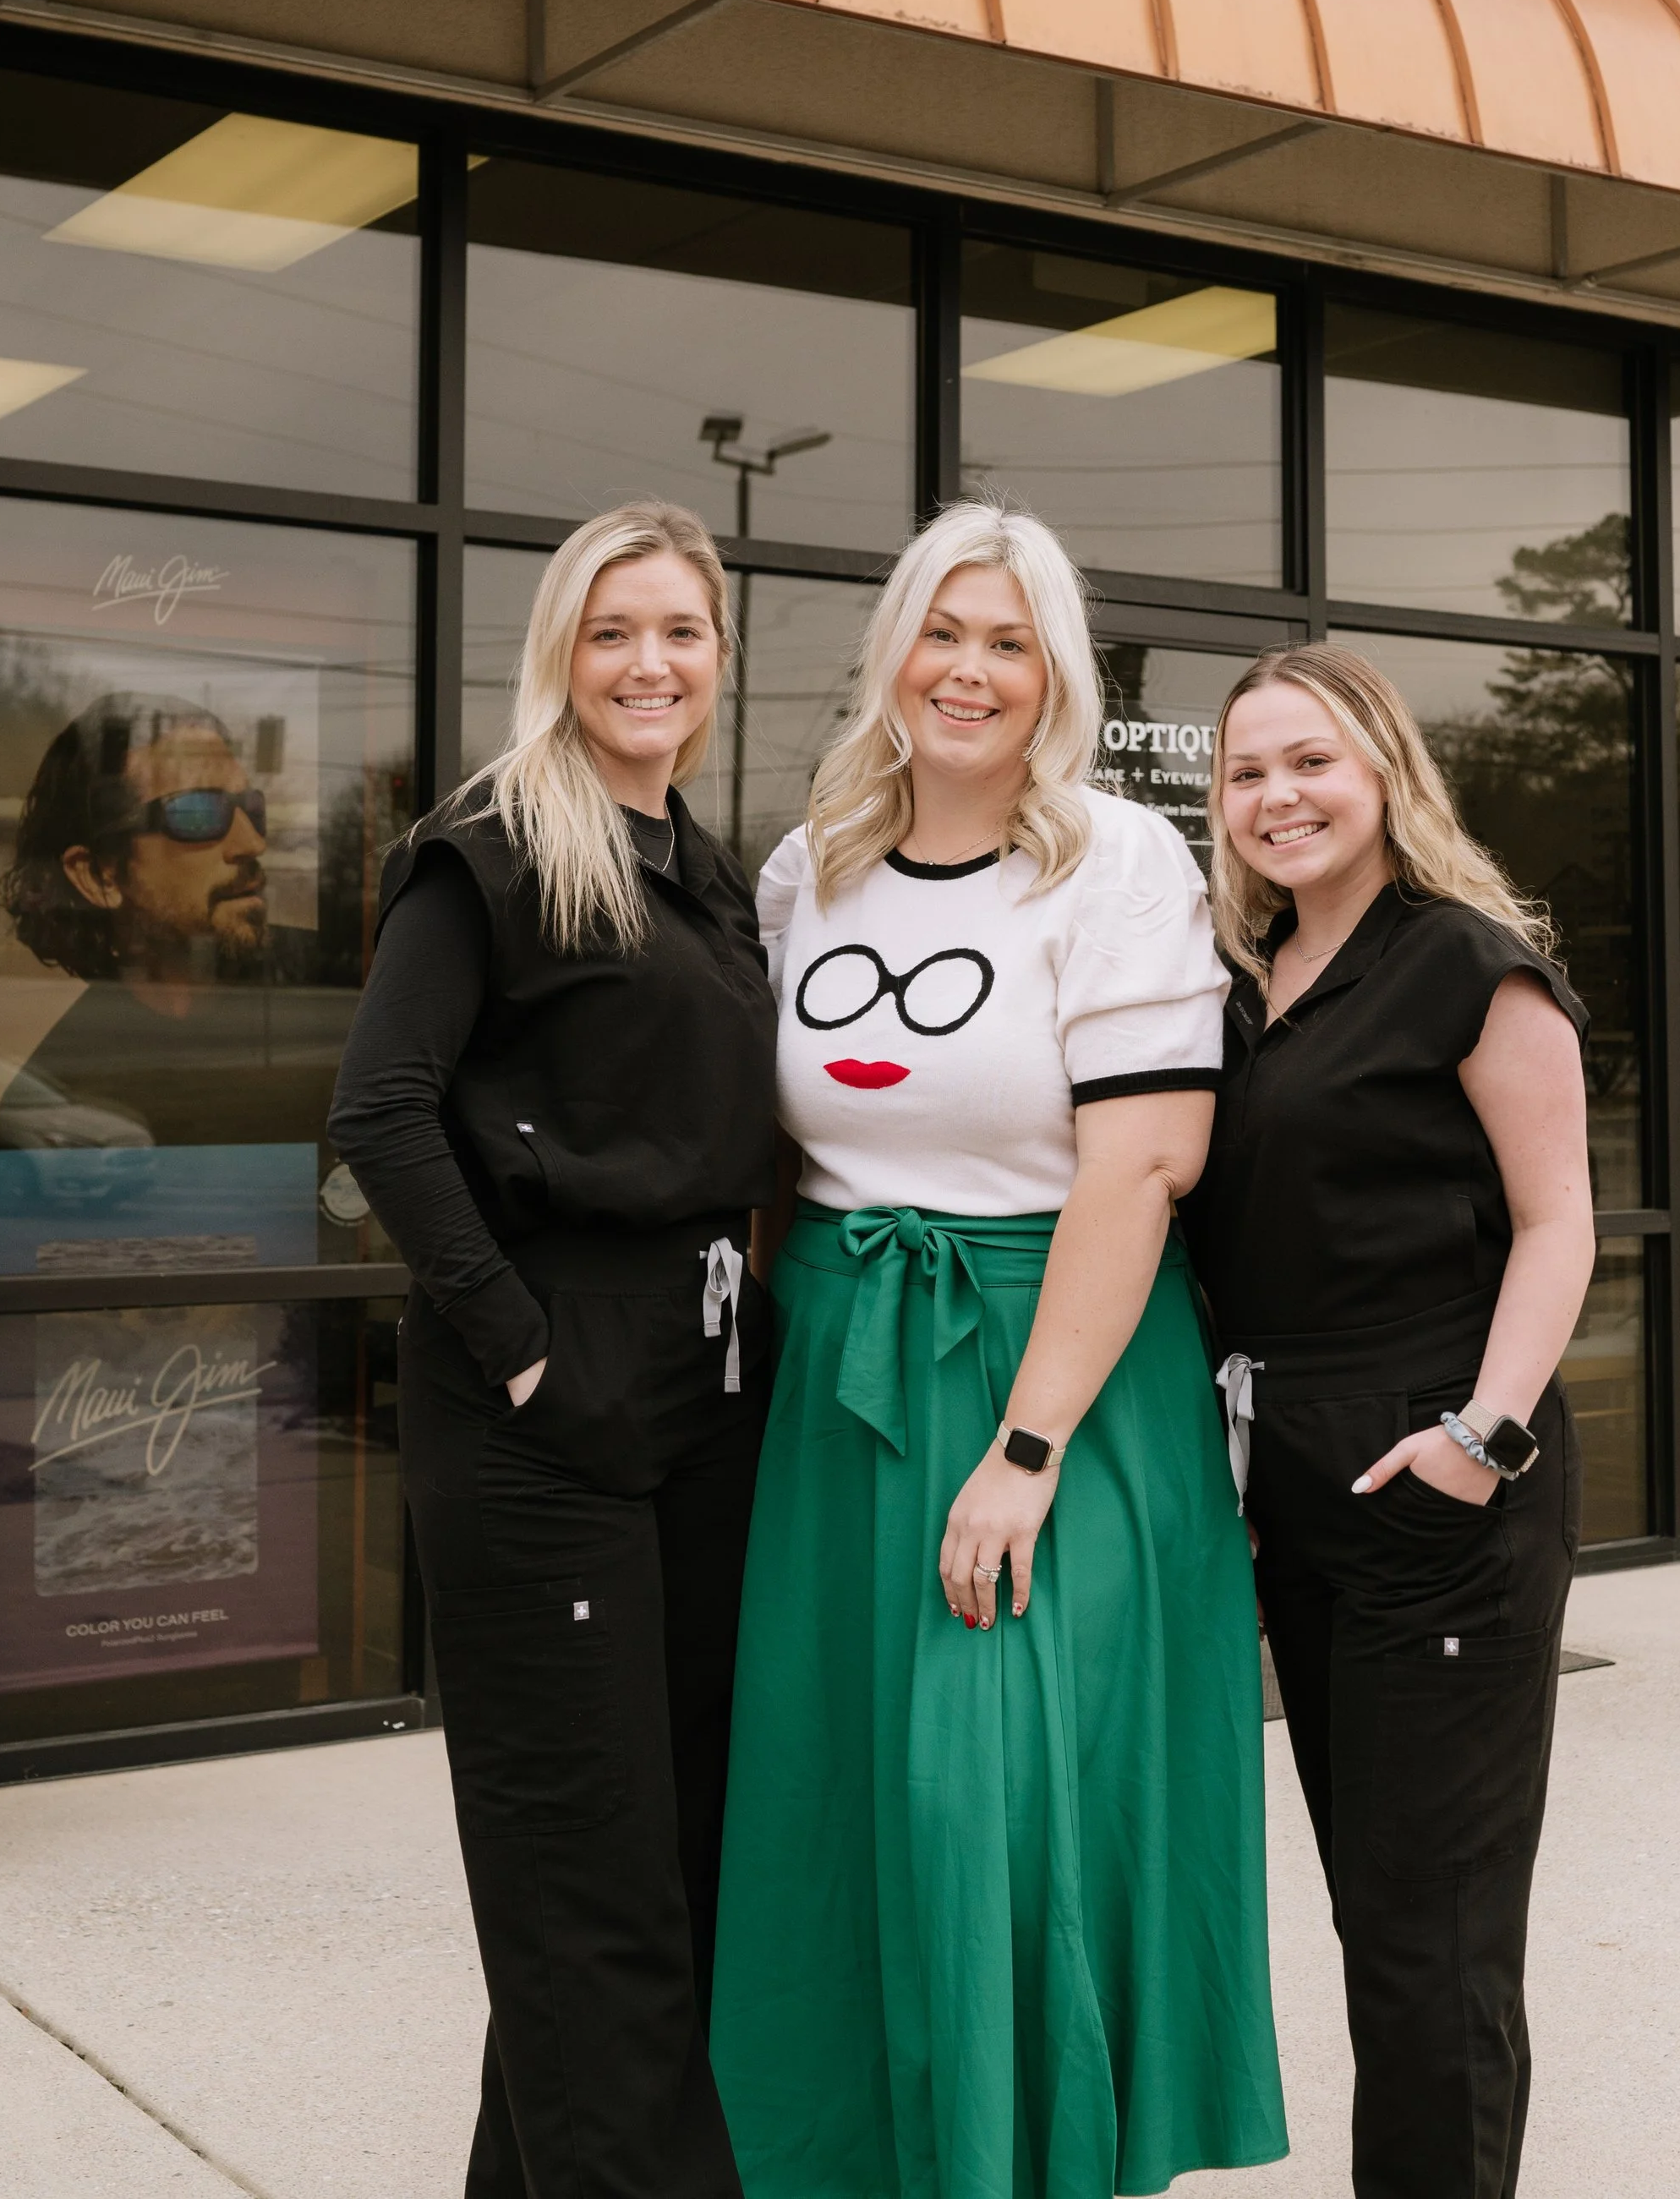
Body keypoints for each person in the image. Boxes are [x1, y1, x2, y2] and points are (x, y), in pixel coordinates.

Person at [712, 501, 1286, 2199]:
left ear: (1056, 678)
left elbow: (1141, 1166)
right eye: (940, 632)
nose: (966, 671)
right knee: (839, 1801)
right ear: (890, 650)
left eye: (1007, 641)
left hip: (1050, 1385)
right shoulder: (801, 866)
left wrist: (1025, 1451)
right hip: (837, 1387)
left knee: (994, 1804)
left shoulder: (1117, 859)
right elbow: (770, 1159)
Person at [327, 501, 775, 2199]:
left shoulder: (707, 872)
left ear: (719, 656)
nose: (646, 661)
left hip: (704, 1406)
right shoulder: (497, 846)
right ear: (559, 656)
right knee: (592, 1905)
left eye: (677, 629)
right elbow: (377, 1109)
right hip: (542, 1419)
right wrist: (519, 1347)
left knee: (659, 1878)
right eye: (611, 631)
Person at [1182, 645, 1598, 2199]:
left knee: (1436, 1950)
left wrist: (1481, 1442)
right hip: (1293, 1500)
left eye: (1310, 763)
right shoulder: (1245, 980)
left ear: (1383, 775)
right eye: (1245, 773)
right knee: (1382, 1923)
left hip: (1443, 1503)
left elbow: (1560, 1224)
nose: (1276, 797)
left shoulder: (1466, 965)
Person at [0, 692, 318, 1148]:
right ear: (99, 877)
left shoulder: (327, 986)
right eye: (199, 812)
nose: (250, 844)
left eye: (253, 808)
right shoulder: (72, 1070)